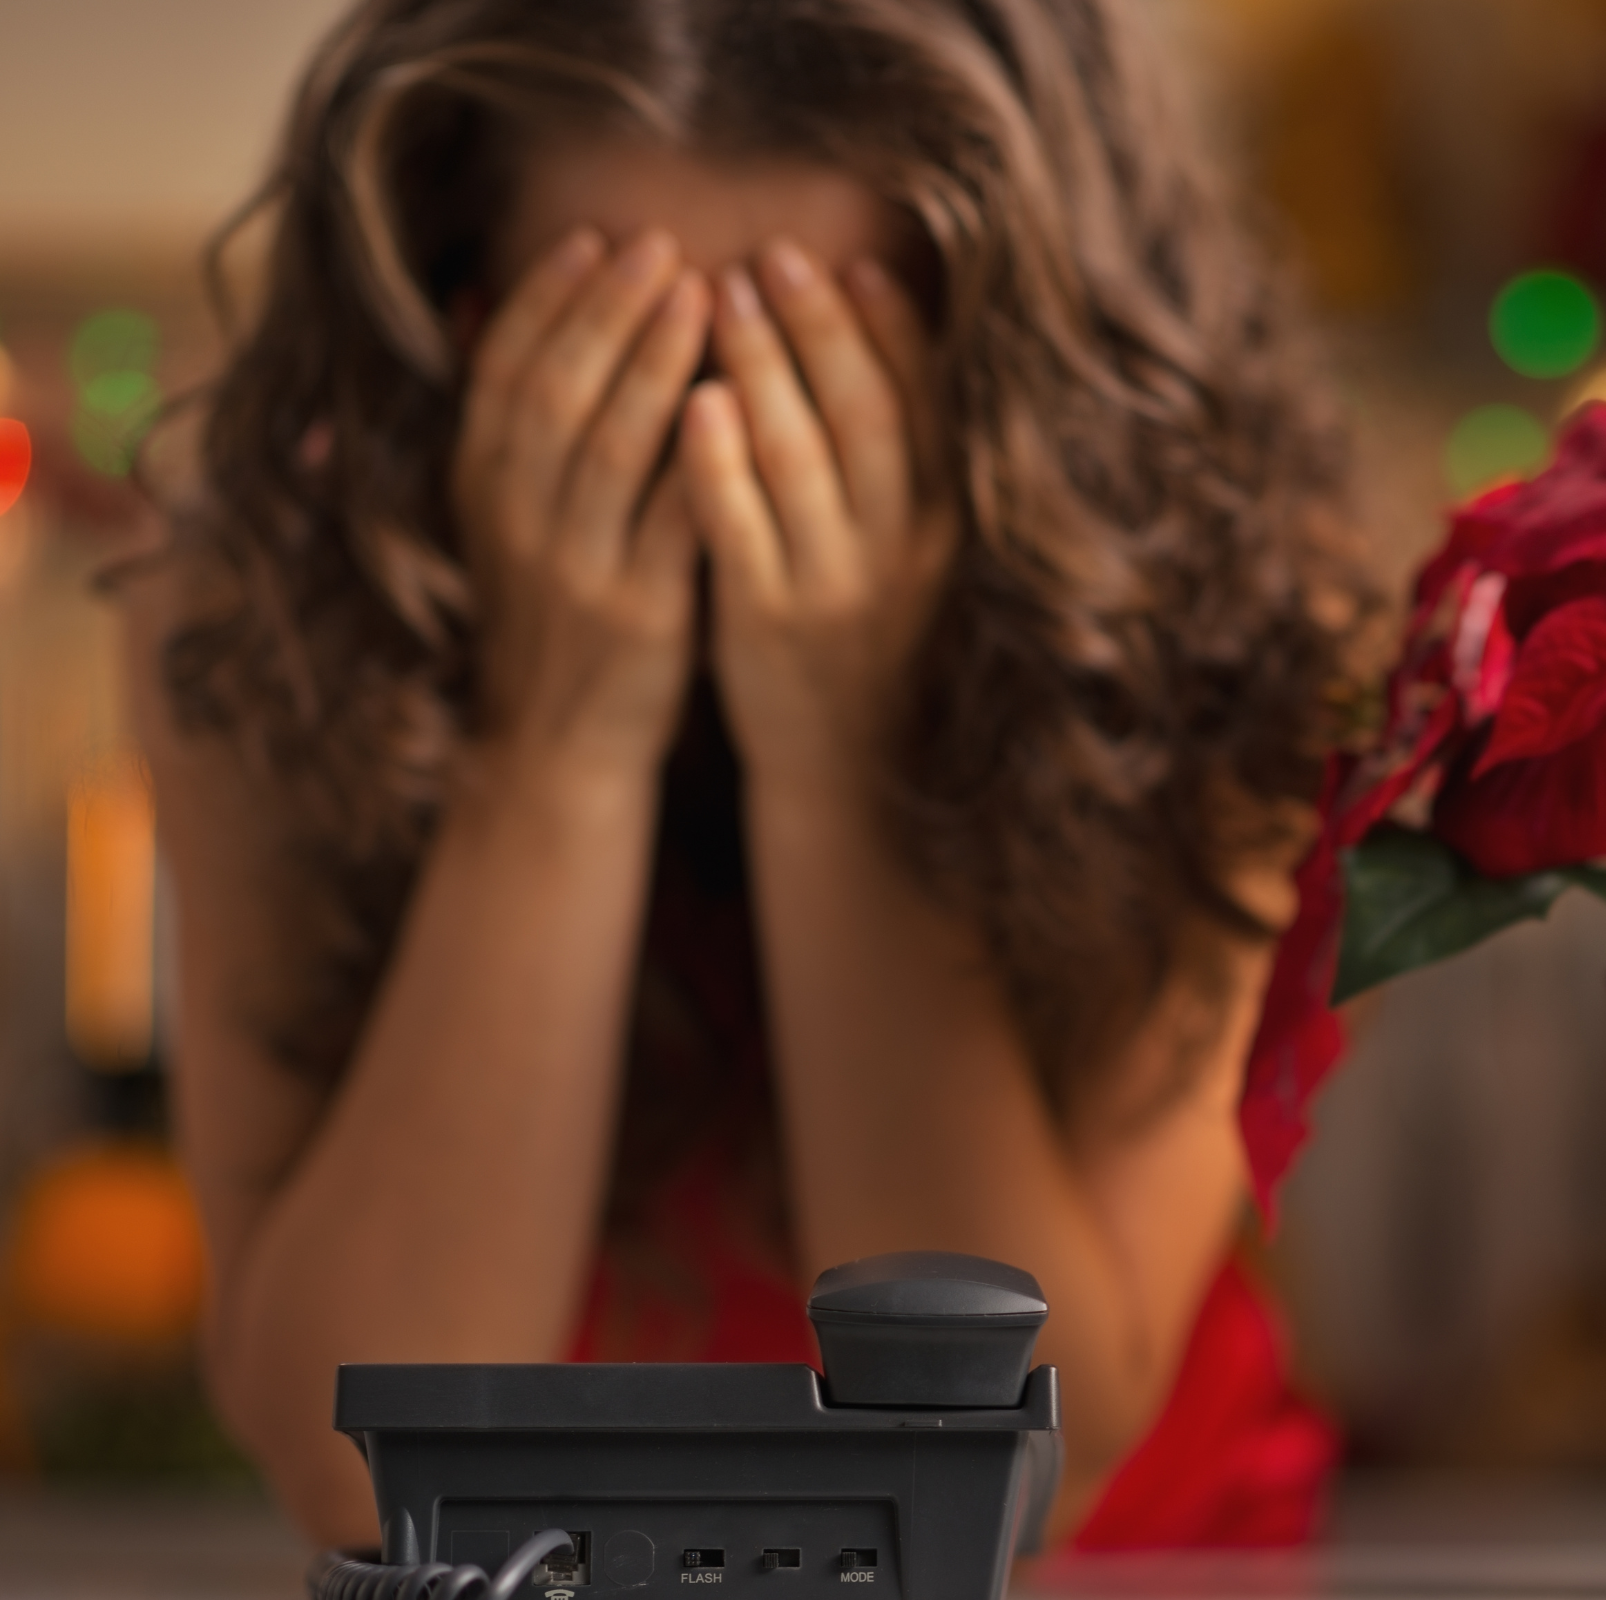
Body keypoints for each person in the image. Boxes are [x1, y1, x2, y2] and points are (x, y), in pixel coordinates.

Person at [118, 0, 1367, 1553]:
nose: (728, 467)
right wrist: (556, 752)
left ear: (1012, 364)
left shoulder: (1226, 625)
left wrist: (836, 760)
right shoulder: (262, 627)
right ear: (453, 324)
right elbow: (359, 1481)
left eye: (810, 373)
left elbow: (1026, 1446)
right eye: (625, 372)